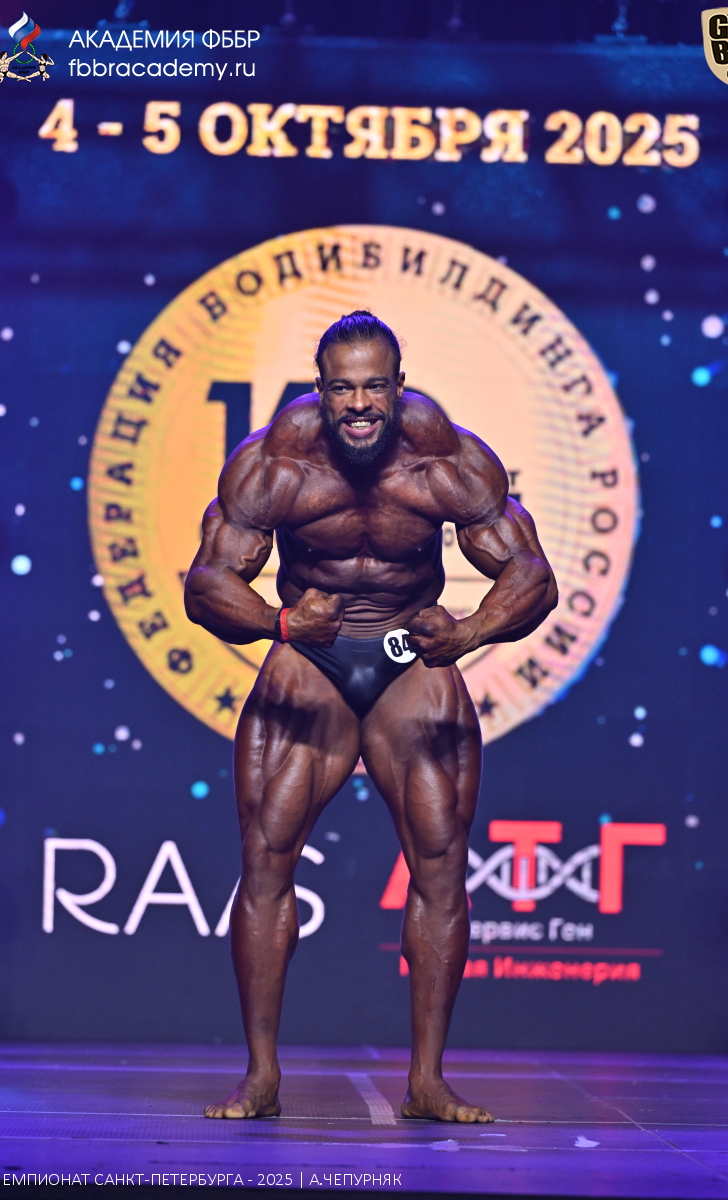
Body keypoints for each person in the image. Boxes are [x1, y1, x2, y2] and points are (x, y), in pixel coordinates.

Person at [185, 311, 557, 1123]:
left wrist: (469, 633)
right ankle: (260, 1077)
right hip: (309, 652)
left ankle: (428, 1082)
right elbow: (205, 586)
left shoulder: (446, 457)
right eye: (343, 388)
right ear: (321, 391)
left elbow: (532, 574)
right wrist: (283, 624)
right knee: (266, 859)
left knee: (441, 863)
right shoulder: (273, 463)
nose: (360, 403)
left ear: (398, 385)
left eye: (375, 386)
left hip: (407, 655)